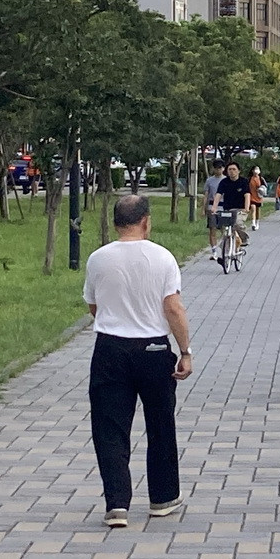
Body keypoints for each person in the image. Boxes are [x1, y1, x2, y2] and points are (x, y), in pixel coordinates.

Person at [83, 195, 192, 529]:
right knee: (160, 424)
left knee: (110, 427)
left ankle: (117, 503)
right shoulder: (162, 257)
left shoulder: (98, 259)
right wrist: (185, 351)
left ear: (117, 222)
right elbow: (173, 307)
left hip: (110, 348)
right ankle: (162, 497)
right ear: (146, 220)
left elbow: (93, 305)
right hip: (154, 350)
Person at [210, 161, 251, 251]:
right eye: (230, 169)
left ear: (238, 171)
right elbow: (218, 194)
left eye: (234, 169)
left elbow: (247, 195)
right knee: (226, 229)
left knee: (237, 224)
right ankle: (226, 250)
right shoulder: (224, 182)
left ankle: (243, 239)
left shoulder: (243, 182)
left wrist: (247, 208)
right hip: (228, 209)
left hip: (241, 209)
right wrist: (214, 207)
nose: (232, 171)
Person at [203, 160, 225, 260]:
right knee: (212, 229)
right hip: (212, 207)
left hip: (223, 207)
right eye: (216, 168)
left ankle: (225, 247)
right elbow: (206, 195)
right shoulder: (209, 181)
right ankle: (214, 251)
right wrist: (203, 208)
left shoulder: (226, 180)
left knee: (224, 229)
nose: (218, 170)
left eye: (220, 168)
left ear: (223, 169)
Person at [248, 165, 265, 231]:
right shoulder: (249, 179)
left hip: (259, 196)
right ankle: (253, 223)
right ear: (252, 171)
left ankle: (257, 222)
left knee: (258, 210)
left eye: (258, 169)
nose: (256, 171)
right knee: (253, 208)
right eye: (255, 169)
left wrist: (261, 189)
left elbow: (264, 187)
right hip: (251, 196)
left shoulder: (261, 178)